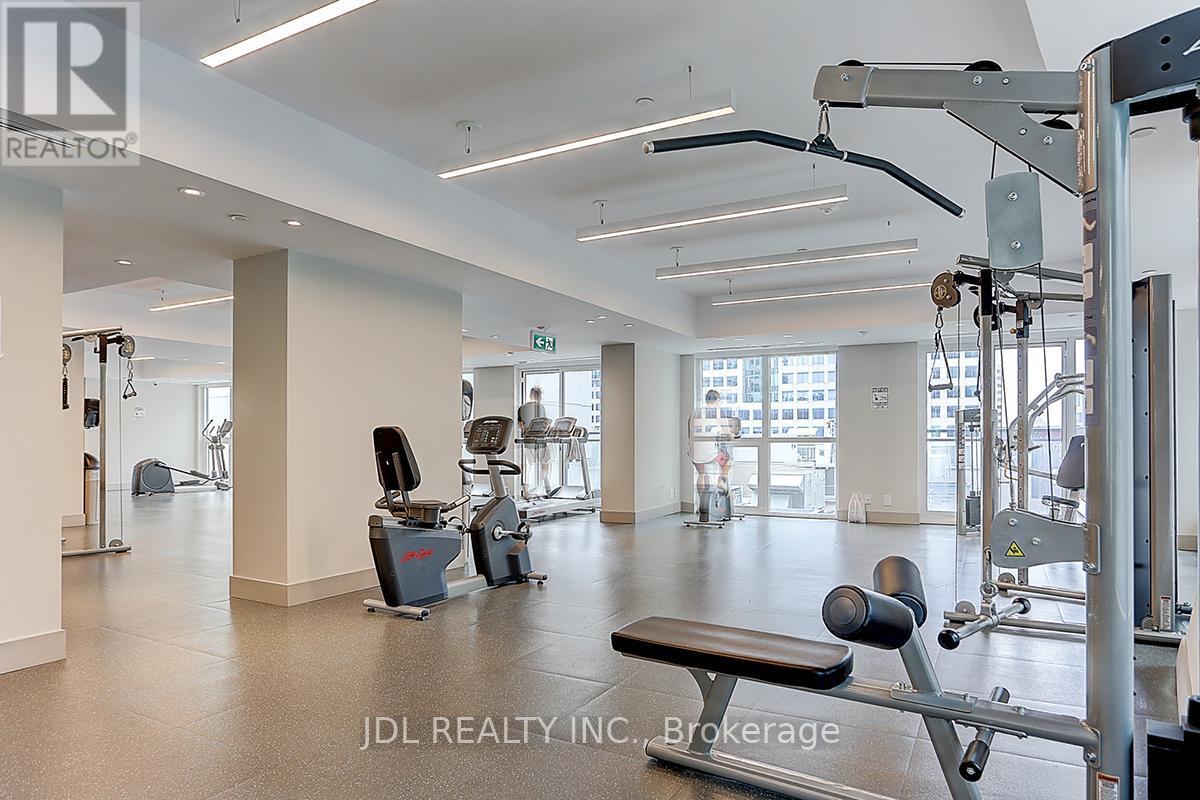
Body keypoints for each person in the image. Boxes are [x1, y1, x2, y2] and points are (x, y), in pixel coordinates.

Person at [687, 389, 741, 508]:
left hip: (694, 451)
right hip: (709, 454)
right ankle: (721, 482)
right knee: (727, 460)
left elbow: (690, 433)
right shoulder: (718, 413)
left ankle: (703, 504)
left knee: (702, 474)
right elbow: (727, 435)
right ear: (717, 400)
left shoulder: (695, 412)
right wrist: (732, 435)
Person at [517, 387, 553, 498]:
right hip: (540, 441)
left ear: (530, 395)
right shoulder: (541, 407)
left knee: (527, 467)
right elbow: (544, 424)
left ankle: (525, 491)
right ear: (540, 396)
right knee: (545, 464)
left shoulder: (521, 408)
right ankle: (547, 489)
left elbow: (520, 425)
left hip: (527, 441)